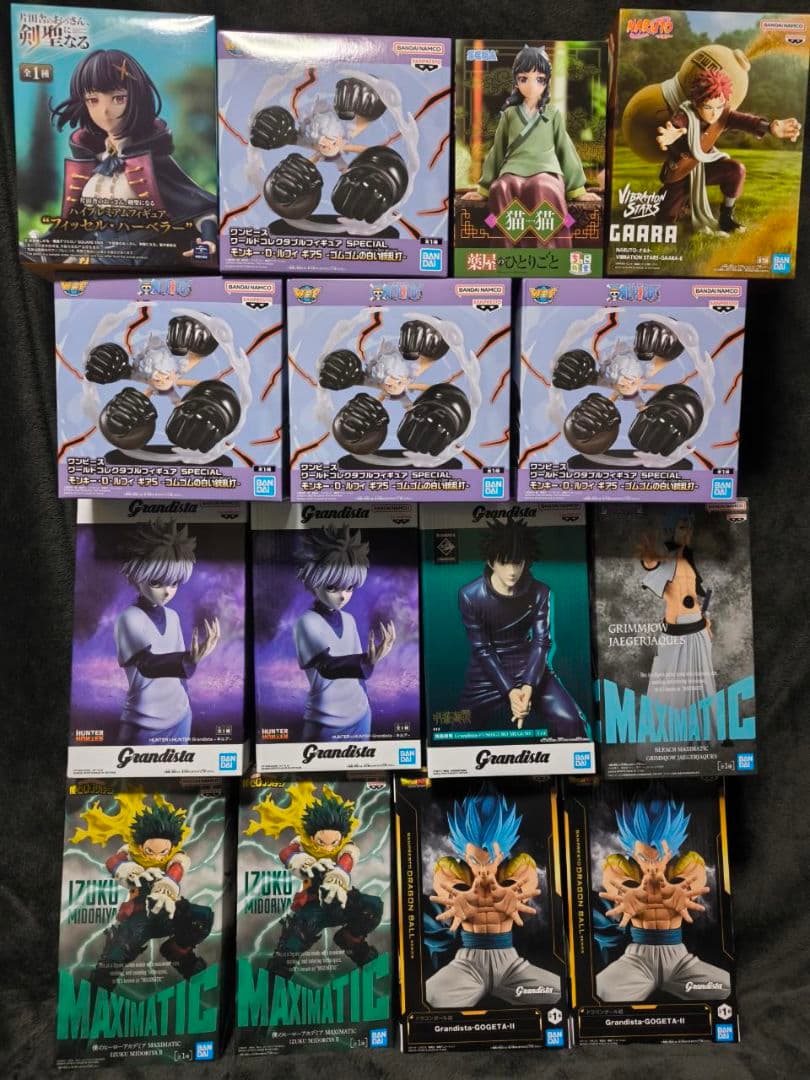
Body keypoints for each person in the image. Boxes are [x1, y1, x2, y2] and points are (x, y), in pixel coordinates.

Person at [49, 49, 217, 261]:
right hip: (102, 260)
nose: (105, 111)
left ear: (137, 98)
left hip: (149, 260)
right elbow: (79, 225)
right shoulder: (93, 162)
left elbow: (201, 208)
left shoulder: (151, 162)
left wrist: (208, 240)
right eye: (93, 100)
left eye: (118, 98)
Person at [426, 789, 559, 1008]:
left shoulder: (519, 868)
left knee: (558, 993)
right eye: (475, 861)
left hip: (511, 965)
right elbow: (443, 883)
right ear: (464, 854)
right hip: (467, 965)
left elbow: (528, 879)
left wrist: (515, 895)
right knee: (430, 997)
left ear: (503, 853)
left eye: (490, 861)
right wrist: (456, 897)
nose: (483, 870)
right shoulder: (451, 870)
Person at [461, 44, 600, 247]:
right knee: (501, 187)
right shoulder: (509, 114)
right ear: (517, 81)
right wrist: (483, 189)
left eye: (539, 79)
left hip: (546, 171)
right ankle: (507, 247)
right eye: (524, 78)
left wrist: (578, 190)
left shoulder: (552, 114)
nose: (531, 85)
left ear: (546, 81)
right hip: (512, 169)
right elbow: (497, 150)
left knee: (541, 186)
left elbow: (565, 148)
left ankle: (546, 248)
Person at [457, 520, 586, 737]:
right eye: (504, 563)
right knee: (457, 728)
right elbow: (482, 648)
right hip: (488, 673)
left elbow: (542, 641)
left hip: (530, 666)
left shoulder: (540, 592)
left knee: (573, 722)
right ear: (491, 562)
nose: (512, 571)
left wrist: (528, 685)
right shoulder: (469, 595)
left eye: (517, 563)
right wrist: (510, 690)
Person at [596, 795, 729, 1002]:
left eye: (659, 856)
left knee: (726, 989)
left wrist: (682, 890)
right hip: (636, 960)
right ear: (632, 850)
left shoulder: (686, 864)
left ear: (672, 849)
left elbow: (696, 875)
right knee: (599, 992)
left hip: (680, 960)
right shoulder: (620, 866)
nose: (652, 865)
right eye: (644, 857)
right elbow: (612, 879)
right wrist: (626, 894)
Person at [655, 69, 801, 234]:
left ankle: (726, 217)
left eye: (719, 106)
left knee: (736, 170)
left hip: (706, 167)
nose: (714, 113)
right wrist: (671, 134)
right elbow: (677, 124)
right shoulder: (684, 114)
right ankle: (678, 201)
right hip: (681, 174)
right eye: (708, 107)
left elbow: (745, 121)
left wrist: (770, 127)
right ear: (696, 103)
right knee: (664, 222)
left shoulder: (722, 115)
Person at [115, 521, 220, 745]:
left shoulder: (173, 617)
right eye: (157, 582)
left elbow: (179, 676)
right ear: (137, 575)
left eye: (174, 584)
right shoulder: (129, 618)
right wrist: (189, 659)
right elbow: (148, 665)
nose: (167, 592)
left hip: (181, 716)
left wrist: (189, 665)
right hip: (143, 722)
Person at [293, 527, 395, 741]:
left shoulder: (349, 620)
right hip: (325, 721)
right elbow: (327, 666)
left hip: (361, 715)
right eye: (333, 588)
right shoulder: (306, 622)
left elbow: (358, 676)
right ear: (313, 582)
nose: (343, 596)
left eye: (349, 588)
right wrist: (368, 660)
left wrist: (368, 664)